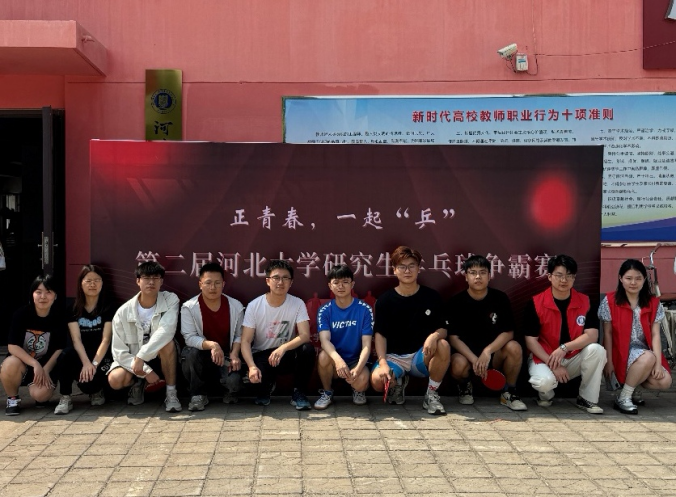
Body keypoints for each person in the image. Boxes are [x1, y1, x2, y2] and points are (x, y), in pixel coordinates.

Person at [369, 246, 451, 415]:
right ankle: (397, 382)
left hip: (420, 357)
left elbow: (443, 328)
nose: (407, 271)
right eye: (402, 266)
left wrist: (434, 336)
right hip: (394, 358)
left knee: (443, 345)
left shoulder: (431, 296)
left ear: (418, 268)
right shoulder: (385, 300)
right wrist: (383, 363)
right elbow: (380, 335)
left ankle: (431, 395)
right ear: (394, 270)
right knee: (377, 381)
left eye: (412, 266)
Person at [524, 254, 606, 414]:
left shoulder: (585, 301)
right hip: (544, 356)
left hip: (573, 356)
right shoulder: (536, 303)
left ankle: (587, 399)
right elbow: (530, 341)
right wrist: (553, 363)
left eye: (569, 276)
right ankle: (545, 395)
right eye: (559, 275)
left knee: (597, 350)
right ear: (549, 276)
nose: (564, 280)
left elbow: (592, 335)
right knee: (544, 382)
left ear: (574, 278)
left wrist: (564, 348)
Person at [447, 255, 527, 411]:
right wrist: (474, 359)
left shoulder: (500, 298)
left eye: (482, 272)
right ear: (466, 276)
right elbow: (454, 338)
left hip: (493, 355)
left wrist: (487, 351)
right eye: (473, 273)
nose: (478, 277)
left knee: (514, 347)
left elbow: (508, 333)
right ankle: (465, 387)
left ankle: (509, 392)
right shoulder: (456, 302)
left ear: (489, 276)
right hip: (468, 356)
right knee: (457, 364)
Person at [599, 259, 672, 415]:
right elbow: (607, 334)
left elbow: (655, 335)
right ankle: (624, 397)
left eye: (638, 278)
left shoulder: (652, 303)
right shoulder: (610, 301)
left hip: (645, 353)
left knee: (664, 381)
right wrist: (608, 361)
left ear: (644, 279)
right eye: (629, 278)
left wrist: (658, 364)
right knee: (648, 357)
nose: (633, 282)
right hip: (620, 352)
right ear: (620, 278)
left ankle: (631, 388)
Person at [107, 261, 182, 412]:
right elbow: (119, 352)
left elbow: (166, 331)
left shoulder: (170, 299)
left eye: (155, 278)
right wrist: (146, 370)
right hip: (135, 362)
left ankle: (171, 394)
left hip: (161, 357)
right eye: (146, 278)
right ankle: (138, 383)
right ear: (138, 281)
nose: (151, 282)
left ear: (161, 281)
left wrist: (142, 357)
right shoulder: (123, 312)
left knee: (167, 344)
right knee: (115, 379)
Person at [240, 259, 315, 409]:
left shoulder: (297, 303)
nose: (280, 282)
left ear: (291, 282)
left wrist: (283, 348)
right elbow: (246, 341)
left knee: (307, 349)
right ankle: (265, 388)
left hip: (285, 354)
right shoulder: (254, 306)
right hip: (262, 355)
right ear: (268, 281)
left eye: (285, 278)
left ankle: (298, 392)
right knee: (256, 379)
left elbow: (305, 335)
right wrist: (251, 366)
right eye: (276, 278)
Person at [180, 262, 245, 411]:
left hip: (226, 356)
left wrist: (234, 353)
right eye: (208, 283)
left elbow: (239, 335)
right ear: (200, 284)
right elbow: (189, 337)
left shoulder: (235, 306)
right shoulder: (189, 307)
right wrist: (212, 345)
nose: (212, 287)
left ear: (223, 284)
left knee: (234, 383)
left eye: (217, 283)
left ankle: (229, 391)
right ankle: (197, 394)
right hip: (201, 355)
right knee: (190, 353)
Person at [1, 275, 67, 416]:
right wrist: (34, 364)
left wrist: (46, 369)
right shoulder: (21, 314)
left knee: (41, 395)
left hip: (46, 363)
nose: (43, 296)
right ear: (32, 294)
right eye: (38, 292)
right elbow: (12, 346)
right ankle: (13, 399)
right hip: (23, 362)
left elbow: (60, 347)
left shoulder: (59, 316)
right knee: (10, 364)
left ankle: (39, 392)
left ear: (55, 296)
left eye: (48, 292)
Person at [54, 265, 116, 414]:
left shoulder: (109, 307)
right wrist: (86, 363)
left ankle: (96, 391)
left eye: (96, 280)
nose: (92, 284)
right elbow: (76, 340)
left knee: (90, 385)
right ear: (81, 283)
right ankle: (65, 397)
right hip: (82, 355)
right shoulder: (73, 309)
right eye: (88, 281)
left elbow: (106, 339)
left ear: (102, 283)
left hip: (101, 356)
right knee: (65, 356)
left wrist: (93, 364)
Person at [314, 264, 373, 410]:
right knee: (323, 356)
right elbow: (324, 341)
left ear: (352, 284)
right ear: (330, 286)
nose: (341, 286)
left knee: (361, 382)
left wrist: (358, 368)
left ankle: (357, 390)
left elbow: (367, 344)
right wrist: (338, 360)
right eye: (336, 282)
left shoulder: (364, 309)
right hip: (335, 362)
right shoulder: (325, 310)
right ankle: (327, 392)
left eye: (345, 282)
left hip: (356, 360)